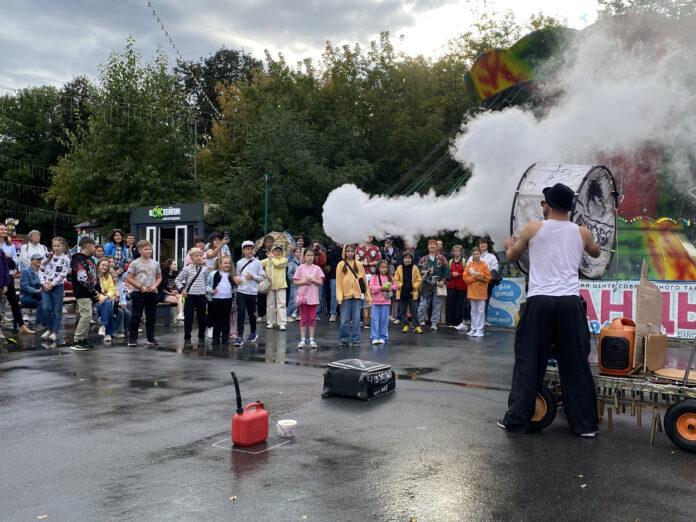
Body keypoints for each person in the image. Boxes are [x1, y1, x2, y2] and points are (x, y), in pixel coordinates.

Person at [499, 183, 601, 437]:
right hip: (569, 302)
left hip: (540, 301)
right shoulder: (582, 232)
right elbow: (597, 252)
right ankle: (585, 426)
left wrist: (509, 244)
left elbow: (512, 257)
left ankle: (518, 420)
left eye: (543, 203)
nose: (542, 206)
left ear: (549, 205)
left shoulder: (533, 228)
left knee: (529, 362)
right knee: (576, 363)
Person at [126, 240, 162, 348]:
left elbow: (159, 277)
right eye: (146, 249)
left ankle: (151, 338)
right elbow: (129, 278)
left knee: (151, 316)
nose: (148, 251)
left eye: (150, 249)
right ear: (140, 250)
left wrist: (155, 286)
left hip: (152, 292)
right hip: (138, 292)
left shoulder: (155, 263)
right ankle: (133, 338)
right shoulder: (134, 263)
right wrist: (140, 287)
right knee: (136, 315)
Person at [1, 223, 34, 334]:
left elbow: (17, 260)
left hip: (8, 276)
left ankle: (21, 325)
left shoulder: (10, 245)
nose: (3, 231)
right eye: (1, 229)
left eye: (5, 229)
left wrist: (9, 258)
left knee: (14, 302)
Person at [336, 245, 370, 347]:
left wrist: (368, 296)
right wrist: (339, 297)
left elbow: (364, 281)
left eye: (352, 251)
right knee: (344, 320)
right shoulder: (340, 265)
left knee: (356, 320)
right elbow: (338, 282)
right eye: (348, 251)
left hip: (357, 296)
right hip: (345, 296)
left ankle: (356, 340)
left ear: (354, 252)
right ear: (344, 252)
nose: (350, 253)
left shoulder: (359, 264)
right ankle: (344, 339)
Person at [234, 240, 266, 346]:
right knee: (241, 314)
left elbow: (262, 276)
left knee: (252, 314)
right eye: (247, 249)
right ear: (243, 250)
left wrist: (253, 277)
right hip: (241, 291)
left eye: (251, 249)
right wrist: (237, 279)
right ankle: (239, 336)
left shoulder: (257, 262)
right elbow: (237, 275)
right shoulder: (239, 263)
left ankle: (253, 332)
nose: (250, 251)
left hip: (252, 292)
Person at [38, 237, 70, 342]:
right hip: (45, 286)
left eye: (58, 246)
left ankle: (54, 332)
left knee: (57, 311)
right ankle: (49, 329)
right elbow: (40, 270)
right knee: (46, 308)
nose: (56, 248)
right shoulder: (47, 255)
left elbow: (62, 274)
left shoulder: (65, 258)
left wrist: (52, 284)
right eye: (54, 245)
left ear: (63, 247)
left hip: (57, 287)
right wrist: (43, 283)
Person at [175, 247, 208, 347]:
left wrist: (207, 290)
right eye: (196, 256)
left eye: (200, 255)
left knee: (202, 318)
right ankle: (187, 339)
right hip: (190, 296)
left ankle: (201, 337)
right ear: (191, 257)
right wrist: (182, 290)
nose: (198, 257)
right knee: (188, 318)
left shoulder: (205, 269)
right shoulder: (186, 268)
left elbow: (207, 281)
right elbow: (177, 280)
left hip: (202, 296)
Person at [70, 236, 98, 350]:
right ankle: (77, 340)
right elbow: (82, 278)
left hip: (90, 293)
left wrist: (97, 289)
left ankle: (83, 339)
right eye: (94, 246)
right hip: (82, 292)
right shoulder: (78, 259)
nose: (95, 249)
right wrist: (93, 291)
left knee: (88, 315)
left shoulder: (90, 259)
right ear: (88, 246)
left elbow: (94, 276)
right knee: (86, 316)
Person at [293, 248, 325, 348]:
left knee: (312, 318)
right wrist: (305, 282)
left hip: (313, 296)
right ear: (304, 256)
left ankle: (311, 339)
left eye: (312, 255)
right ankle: (302, 339)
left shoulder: (317, 268)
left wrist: (313, 280)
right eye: (308, 255)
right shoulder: (300, 268)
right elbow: (295, 282)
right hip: (302, 297)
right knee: (303, 318)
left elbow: (320, 282)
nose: (310, 257)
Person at [417, 239, 450, 332]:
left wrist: (443, 281)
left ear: (437, 247)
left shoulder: (442, 258)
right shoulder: (423, 259)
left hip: (438, 284)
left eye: (434, 245)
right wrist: (425, 272)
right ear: (428, 247)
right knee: (423, 304)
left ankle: (434, 323)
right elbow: (418, 272)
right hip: (426, 284)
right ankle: (420, 321)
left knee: (436, 304)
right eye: (430, 245)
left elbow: (446, 271)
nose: (432, 246)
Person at [468, 238, 500, 322]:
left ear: (488, 245)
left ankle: (482, 324)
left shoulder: (491, 256)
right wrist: (475, 274)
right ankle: (473, 325)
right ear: (478, 245)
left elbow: (494, 269)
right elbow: (468, 267)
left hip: (486, 283)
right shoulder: (473, 256)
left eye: (485, 243)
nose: (482, 245)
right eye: (481, 243)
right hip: (474, 283)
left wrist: (481, 273)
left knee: (483, 304)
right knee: (473, 305)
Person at [207, 255, 236, 346]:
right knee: (217, 319)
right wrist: (211, 290)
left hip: (227, 299)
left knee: (226, 319)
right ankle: (215, 339)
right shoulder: (213, 274)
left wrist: (234, 290)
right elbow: (206, 285)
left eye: (229, 263)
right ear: (219, 264)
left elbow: (235, 287)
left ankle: (225, 338)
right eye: (225, 263)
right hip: (216, 299)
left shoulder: (231, 275)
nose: (227, 265)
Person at [463, 248, 491, 337]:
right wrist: (474, 278)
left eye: (477, 254)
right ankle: (473, 328)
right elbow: (465, 278)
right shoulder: (469, 265)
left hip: (481, 291)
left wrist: (479, 275)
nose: (475, 256)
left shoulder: (484, 265)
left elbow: (488, 278)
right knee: (473, 311)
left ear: (480, 255)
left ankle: (480, 329)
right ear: (472, 255)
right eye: (474, 254)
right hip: (472, 291)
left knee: (480, 310)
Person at [368, 260, 398, 344]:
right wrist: (381, 288)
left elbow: (395, 286)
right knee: (375, 320)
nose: (384, 269)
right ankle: (374, 337)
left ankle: (383, 337)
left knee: (384, 320)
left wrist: (390, 288)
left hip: (386, 302)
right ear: (378, 268)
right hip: (376, 302)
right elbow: (371, 287)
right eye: (382, 267)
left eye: (385, 267)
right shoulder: (374, 277)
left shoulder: (390, 277)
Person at [394, 252, 422, 334]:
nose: (407, 260)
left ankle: (417, 326)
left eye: (409, 258)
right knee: (403, 311)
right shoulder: (399, 268)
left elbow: (419, 280)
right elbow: (396, 280)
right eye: (405, 258)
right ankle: (405, 325)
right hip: (402, 292)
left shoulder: (415, 268)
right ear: (402, 259)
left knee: (414, 311)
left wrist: (414, 286)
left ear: (411, 259)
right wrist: (400, 285)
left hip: (412, 293)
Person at [262, 244, 288, 330]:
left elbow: (277, 264)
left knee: (281, 305)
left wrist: (271, 258)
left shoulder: (284, 260)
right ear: (273, 251)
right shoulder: (267, 260)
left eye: (279, 250)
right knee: (270, 305)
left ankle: (282, 323)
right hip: (270, 285)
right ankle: (270, 322)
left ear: (282, 251)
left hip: (281, 285)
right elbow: (258, 265)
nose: (277, 252)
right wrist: (264, 275)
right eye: (276, 250)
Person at [95, 258, 120, 343]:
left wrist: (106, 297)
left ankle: (103, 325)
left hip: (106, 299)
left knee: (108, 303)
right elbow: (91, 289)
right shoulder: (94, 276)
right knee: (108, 305)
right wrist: (100, 296)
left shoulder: (108, 276)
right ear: (98, 265)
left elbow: (112, 290)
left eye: (106, 266)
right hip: (95, 301)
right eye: (103, 265)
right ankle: (107, 332)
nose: (104, 267)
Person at [447, 245, 469, 329]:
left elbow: (467, 273)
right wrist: (451, 274)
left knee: (460, 305)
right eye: (454, 250)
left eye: (458, 250)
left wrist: (459, 274)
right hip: (451, 286)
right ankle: (451, 322)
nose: (456, 252)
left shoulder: (464, 261)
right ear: (453, 252)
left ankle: (459, 322)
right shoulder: (450, 261)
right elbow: (447, 272)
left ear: (461, 252)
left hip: (461, 286)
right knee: (451, 304)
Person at [19, 253, 44, 327]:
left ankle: (45, 323)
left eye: (40, 259)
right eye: (37, 259)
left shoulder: (41, 271)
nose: (39, 261)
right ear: (32, 261)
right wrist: (36, 291)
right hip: (26, 296)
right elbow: (24, 286)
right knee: (43, 303)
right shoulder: (26, 271)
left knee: (49, 301)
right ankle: (39, 324)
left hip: (38, 295)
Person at [255, 235, 274, 322]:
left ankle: (269, 316)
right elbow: (257, 263)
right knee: (261, 296)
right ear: (264, 243)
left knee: (271, 298)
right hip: (263, 276)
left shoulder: (275, 251)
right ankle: (260, 314)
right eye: (268, 242)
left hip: (273, 277)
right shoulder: (260, 251)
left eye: (271, 242)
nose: (270, 243)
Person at [311, 240, 327, 318]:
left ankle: (317, 314)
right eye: (315, 246)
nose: (316, 247)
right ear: (312, 247)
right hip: (311, 277)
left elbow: (323, 263)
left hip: (320, 278)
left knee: (319, 297)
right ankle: (311, 313)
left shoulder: (322, 254)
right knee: (311, 296)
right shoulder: (310, 254)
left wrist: (320, 253)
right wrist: (313, 254)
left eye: (317, 246)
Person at [325, 242, 341, 322]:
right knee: (334, 295)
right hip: (334, 276)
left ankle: (342, 314)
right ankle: (333, 313)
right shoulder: (333, 251)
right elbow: (330, 262)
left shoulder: (348, 251)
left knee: (345, 296)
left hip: (345, 277)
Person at [286, 246, 302, 321]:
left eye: (299, 252)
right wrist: (296, 279)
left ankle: (298, 314)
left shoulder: (301, 263)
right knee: (293, 300)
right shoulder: (292, 263)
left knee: (300, 300)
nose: (298, 253)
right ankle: (288, 315)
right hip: (294, 284)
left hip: (301, 284)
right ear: (294, 253)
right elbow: (289, 275)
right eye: (297, 252)